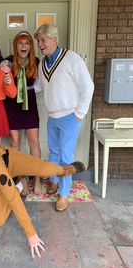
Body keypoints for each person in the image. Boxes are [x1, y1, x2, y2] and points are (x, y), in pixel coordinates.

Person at [0, 144, 86, 258]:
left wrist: (31, 234)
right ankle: (21, 183)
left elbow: (13, 200)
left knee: (45, 170)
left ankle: (65, 170)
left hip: (9, 161)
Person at [34, 24, 94, 212]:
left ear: (54, 39)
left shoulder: (72, 59)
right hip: (52, 116)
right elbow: (39, 86)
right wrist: (20, 89)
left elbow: (88, 86)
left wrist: (79, 114)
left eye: (43, 40)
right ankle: (53, 181)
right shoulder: (43, 63)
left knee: (66, 157)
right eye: (38, 41)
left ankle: (64, 193)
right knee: (53, 152)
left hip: (70, 116)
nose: (40, 44)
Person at [4, 31, 42, 194]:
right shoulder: (9, 61)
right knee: (15, 143)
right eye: (20, 43)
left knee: (34, 142)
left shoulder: (37, 62)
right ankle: (19, 179)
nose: (23, 46)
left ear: (31, 46)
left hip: (30, 105)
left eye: (27, 43)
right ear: (15, 45)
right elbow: (0, 71)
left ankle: (37, 179)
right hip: (12, 105)